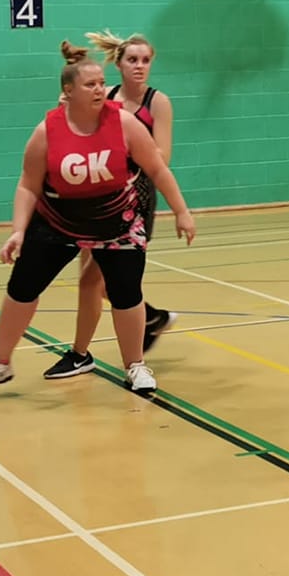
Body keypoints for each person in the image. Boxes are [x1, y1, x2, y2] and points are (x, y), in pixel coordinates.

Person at [0, 42, 195, 397]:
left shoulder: (123, 122)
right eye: (90, 85)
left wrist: (181, 210)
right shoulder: (47, 130)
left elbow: (157, 168)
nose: (100, 89)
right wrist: (18, 231)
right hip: (58, 221)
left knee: (125, 293)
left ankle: (135, 365)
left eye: (102, 83)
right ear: (68, 91)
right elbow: (27, 185)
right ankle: (0, 361)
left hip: (118, 221)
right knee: (22, 288)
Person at [40, 31, 179, 380]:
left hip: (135, 200)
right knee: (92, 280)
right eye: (132, 60)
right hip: (97, 196)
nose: (140, 67)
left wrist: (121, 150)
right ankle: (146, 318)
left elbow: (161, 157)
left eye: (145, 60)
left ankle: (85, 351)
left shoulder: (156, 102)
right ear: (117, 63)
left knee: (95, 281)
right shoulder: (107, 96)